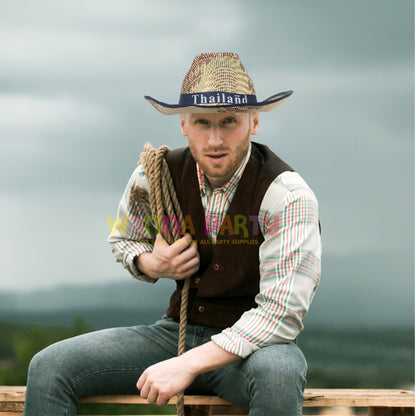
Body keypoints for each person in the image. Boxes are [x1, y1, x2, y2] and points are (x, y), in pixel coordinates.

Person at [24, 52, 321, 416]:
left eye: (229, 121)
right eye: (201, 122)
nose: (214, 140)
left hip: (253, 350)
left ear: (254, 121)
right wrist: (153, 262)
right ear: (184, 124)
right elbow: (123, 238)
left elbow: (282, 313)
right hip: (175, 333)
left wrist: (188, 364)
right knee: (49, 367)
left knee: (279, 373)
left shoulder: (287, 196)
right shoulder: (155, 174)